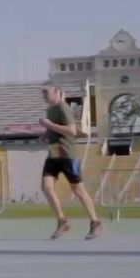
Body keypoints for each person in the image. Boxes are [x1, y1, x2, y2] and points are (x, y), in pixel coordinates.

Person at [40, 85, 103, 239]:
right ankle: (62, 221)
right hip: (54, 154)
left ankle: (95, 222)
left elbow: (72, 131)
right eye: (42, 93)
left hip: (67, 155)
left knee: (78, 191)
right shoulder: (51, 109)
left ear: (57, 93)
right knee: (46, 187)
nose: (44, 95)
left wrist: (48, 125)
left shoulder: (63, 107)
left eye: (46, 92)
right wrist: (45, 134)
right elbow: (55, 129)